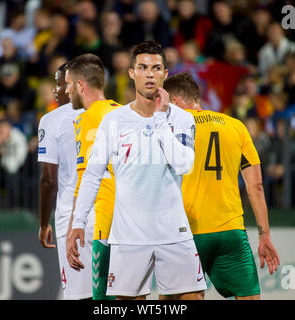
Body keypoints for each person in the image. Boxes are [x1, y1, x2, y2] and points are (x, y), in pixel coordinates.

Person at [67, 41, 206, 300]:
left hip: (173, 231)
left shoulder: (182, 118)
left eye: (156, 68)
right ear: (132, 73)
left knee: (193, 298)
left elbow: (184, 165)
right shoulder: (114, 120)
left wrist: (161, 118)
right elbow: (93, 174)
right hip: (129, 236)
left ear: (165, 73)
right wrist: (78, 222)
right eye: (143, 67)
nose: (149, 74)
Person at [163, 72, 280, 300]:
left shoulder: (171, 129)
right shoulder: (236, 126)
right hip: (231, 231)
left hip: (186, 232)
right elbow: (255, 186)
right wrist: (264, 234)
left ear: (175, 102)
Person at [63, 53, 121, 300]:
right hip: (132, 220)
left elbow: (86, 176)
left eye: (67, 84)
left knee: (103, 299)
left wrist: (73, 226)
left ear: (80, 85)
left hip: (103, 222)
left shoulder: (87, 119)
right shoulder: (124, 112)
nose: (65, 91)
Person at [37, 63, 89, 299]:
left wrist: (43, 222)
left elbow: (49, 180)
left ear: (74, 85)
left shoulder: (52, 120)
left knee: (79, 294)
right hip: (110, 213)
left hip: (71, 216)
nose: (55, 91)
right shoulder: (112, 113)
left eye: (59, 83)